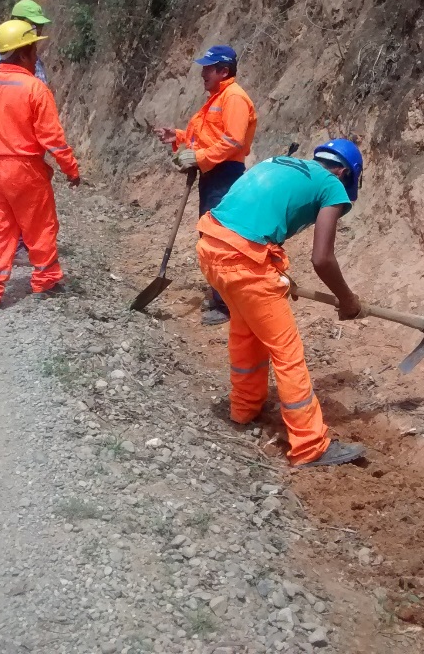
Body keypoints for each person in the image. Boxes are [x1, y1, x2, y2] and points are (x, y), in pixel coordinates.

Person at [195, 139, 368, 467]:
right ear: (345, 172)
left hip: (211, 245)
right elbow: (322, 259)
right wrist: (347, 300)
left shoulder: (281, 161)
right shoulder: (331, 184)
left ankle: (244, 409)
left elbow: (252, 216)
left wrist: (271, 270)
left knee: (247, 332)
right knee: (287, 353)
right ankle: (310, 445)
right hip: (243, 259)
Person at [0, 20, 80, 314]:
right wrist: (71, 170)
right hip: (25, 167)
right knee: (40, 226)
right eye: (35, 48)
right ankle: (45, 281)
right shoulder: (34, 88)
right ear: (27, 50)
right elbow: (52, 140)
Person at [152, 45, 257, 326]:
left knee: (218, 239)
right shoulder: (217, 98)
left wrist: (198, 157)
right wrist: (175, 136)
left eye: (208, 68)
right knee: (211, 236)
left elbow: (233, 141)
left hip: (225, 175)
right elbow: (204, 137)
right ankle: (221, 295)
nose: (202, 73)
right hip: (213, 174)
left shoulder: (234, 98)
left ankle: (226, 304)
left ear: (224, 70)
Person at [0, 0, 52, 83]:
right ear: (16, 21)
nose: (38, 30)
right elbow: (0, 86)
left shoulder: (34, 58)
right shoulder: (3, 52)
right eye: (34, 25)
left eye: (41, 26)